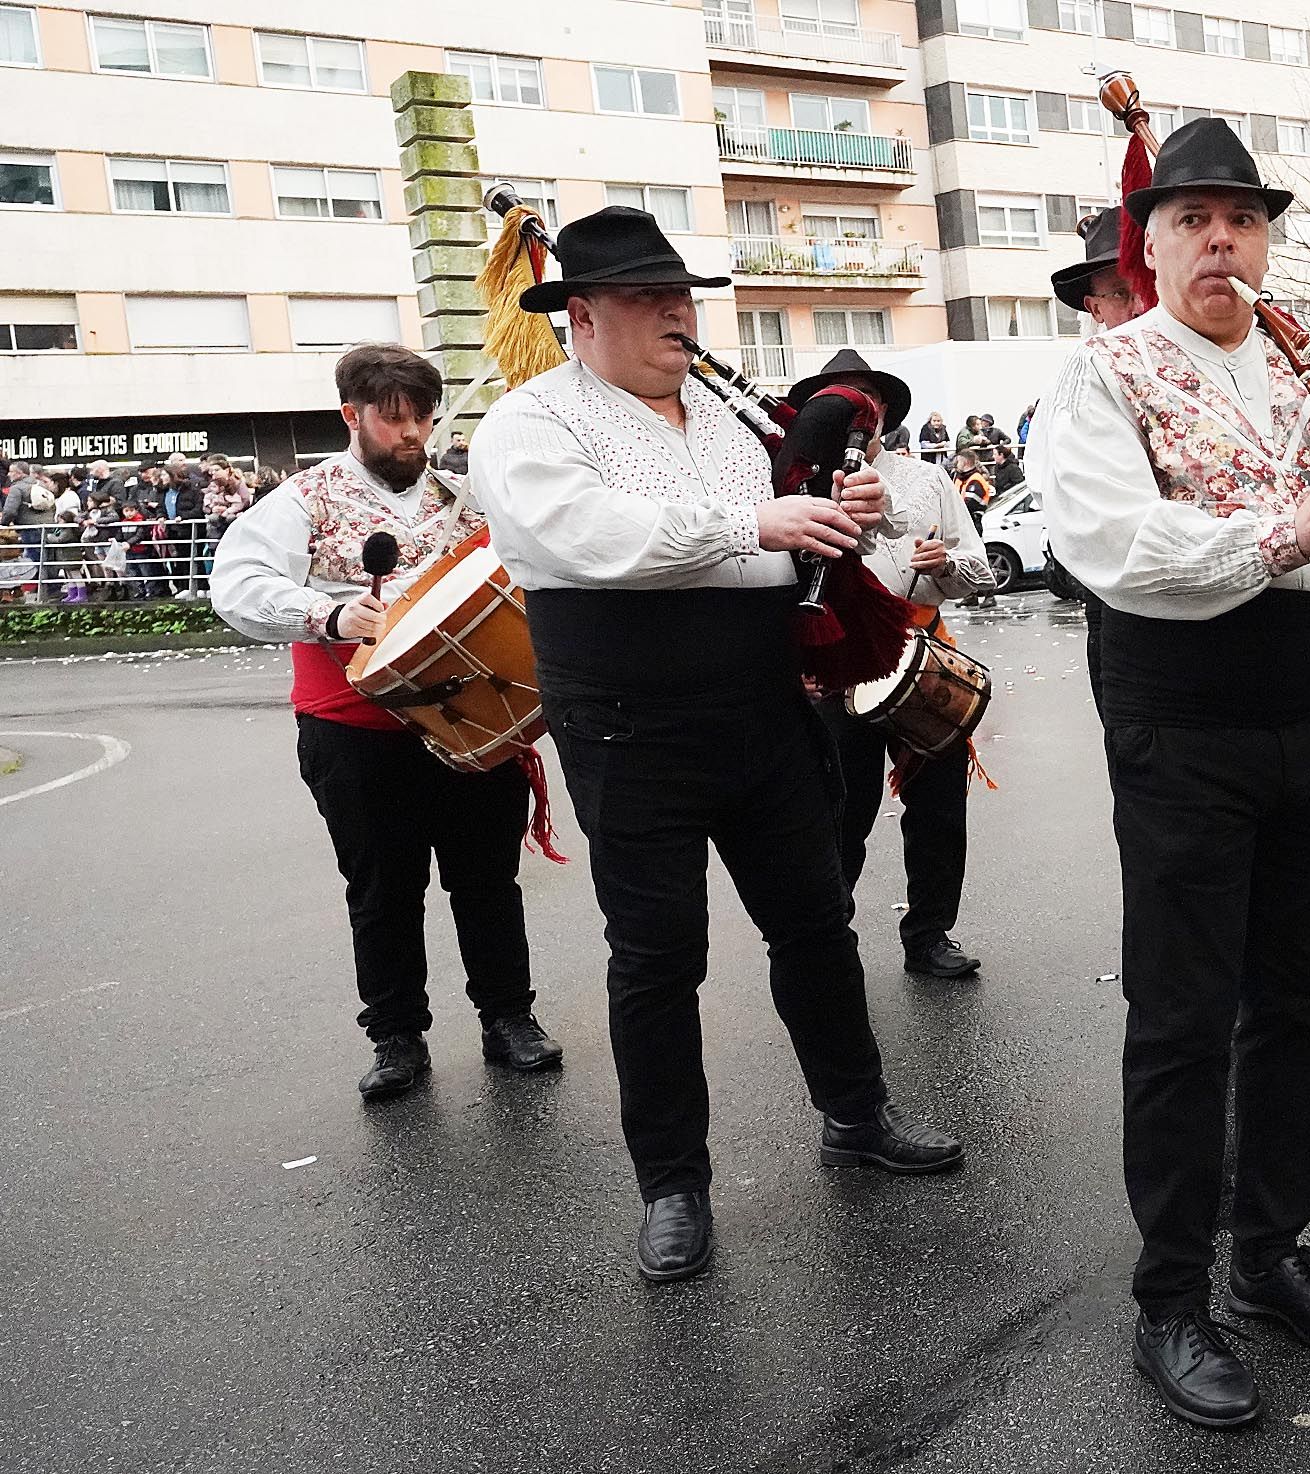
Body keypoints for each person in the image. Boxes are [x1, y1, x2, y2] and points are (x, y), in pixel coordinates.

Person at [1028, 118, 1310, 1428]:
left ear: (1266, 237)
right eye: (1193, 220)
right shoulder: (1104, 375)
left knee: (1299, 997)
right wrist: (1286, 528)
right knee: (1182, 1016)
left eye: (1241, 218)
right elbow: (1115, 546)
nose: (1220, 238)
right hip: (1183, 719)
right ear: (1152, 241)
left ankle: (1269, 1246)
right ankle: (1171, 1296)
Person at [467, 205, 964, 1284]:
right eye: (650, 301)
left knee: (815, 924)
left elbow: (791, 554)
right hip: (629, 724)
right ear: (581, 317)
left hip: (760, 708)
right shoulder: (529, 423)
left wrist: (848, 515)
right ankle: (672, 1184)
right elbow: (587, 537)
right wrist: (758, 524)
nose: (676, 319)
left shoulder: (736, 424)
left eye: (682, 299)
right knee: (656, 958)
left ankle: (855, 1111)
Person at [209, 344, 559, 1098]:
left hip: (473, 716)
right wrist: (329, 613)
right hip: (354, 729)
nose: (411, 433)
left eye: (422, 418)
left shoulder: (465, 500)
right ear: (351, 415)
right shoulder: (304, 498)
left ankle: (509, 1018)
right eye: (393, 418)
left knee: (487, 881)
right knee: (382, 889)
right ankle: (397, 1037)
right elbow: (236, 584)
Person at [792, 350, 998, 980]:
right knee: (840, 813)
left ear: (883, 414)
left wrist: (943, 567)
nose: (859, 411)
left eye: (868, 400)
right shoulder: (796, 485)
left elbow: (981, 573)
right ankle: (830, 936)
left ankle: (930, 933)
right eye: (841, 399)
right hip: (836, 667)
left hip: (922, 660)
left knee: (939, 807)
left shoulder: (927, 482)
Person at [1048, 205, 1141, 706]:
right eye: (1121, 292)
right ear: (1094, 307)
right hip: (1117, 610)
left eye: (1148, 285)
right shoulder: (1080, 381)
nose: (1139, 304)